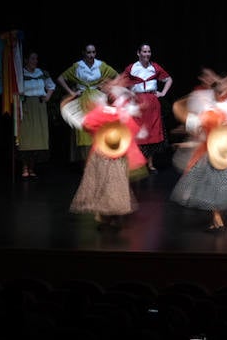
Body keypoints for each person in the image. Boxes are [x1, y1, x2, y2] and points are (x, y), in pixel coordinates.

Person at [169, 71, 227, 232]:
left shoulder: (220, 109)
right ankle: (218, 219)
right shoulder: (220, 109)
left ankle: (220, 219)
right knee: (217, 186)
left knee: (218, 186)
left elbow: (197, 126)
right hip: (216, 152)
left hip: (220, 152)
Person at [68, 85, 145, 230]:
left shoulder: (99, 112)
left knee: (102, 184)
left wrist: (98, 131)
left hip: (101, 151)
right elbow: (133, 129)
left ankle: (104, 217)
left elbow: (87, 124)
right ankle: (114, 216)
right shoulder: (122, 114)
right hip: (117, 152)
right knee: (116, 184)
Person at [57, 44, 119, 161]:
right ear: (84, 53)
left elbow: (116, 75)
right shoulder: (78, 67)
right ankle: (86, 162)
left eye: (93, 52)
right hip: (83, 100)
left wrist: (106, 87)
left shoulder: (100, 65)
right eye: (89, 52)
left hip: (97, 99)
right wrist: (71, 92)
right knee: (85, 130)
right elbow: (60, 78)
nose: (91, 55)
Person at [122, 43, 173, 173]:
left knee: (152, 134)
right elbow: (121, 82)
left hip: (152, 102)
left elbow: (168, 79)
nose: (147, 54)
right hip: (138, 102)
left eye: (149, 51)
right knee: (138, 133)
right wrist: (129, 94)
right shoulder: (132, 68)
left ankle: (150, 164)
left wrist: (163, 93)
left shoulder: (154, 67)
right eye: (144, 52)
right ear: (138, 53)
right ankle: (138, 163)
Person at [17, 51, 55, 179]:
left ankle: (32, 168)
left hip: (39, 107)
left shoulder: (42, 73)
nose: (35, 61)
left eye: (36, 59)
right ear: (26, 60)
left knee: (37, 139)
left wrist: (47, 97)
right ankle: (24, 167)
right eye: (33, 58)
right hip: (26, 107)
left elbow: (51, 86)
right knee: (26, 138)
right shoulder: (20, 73)